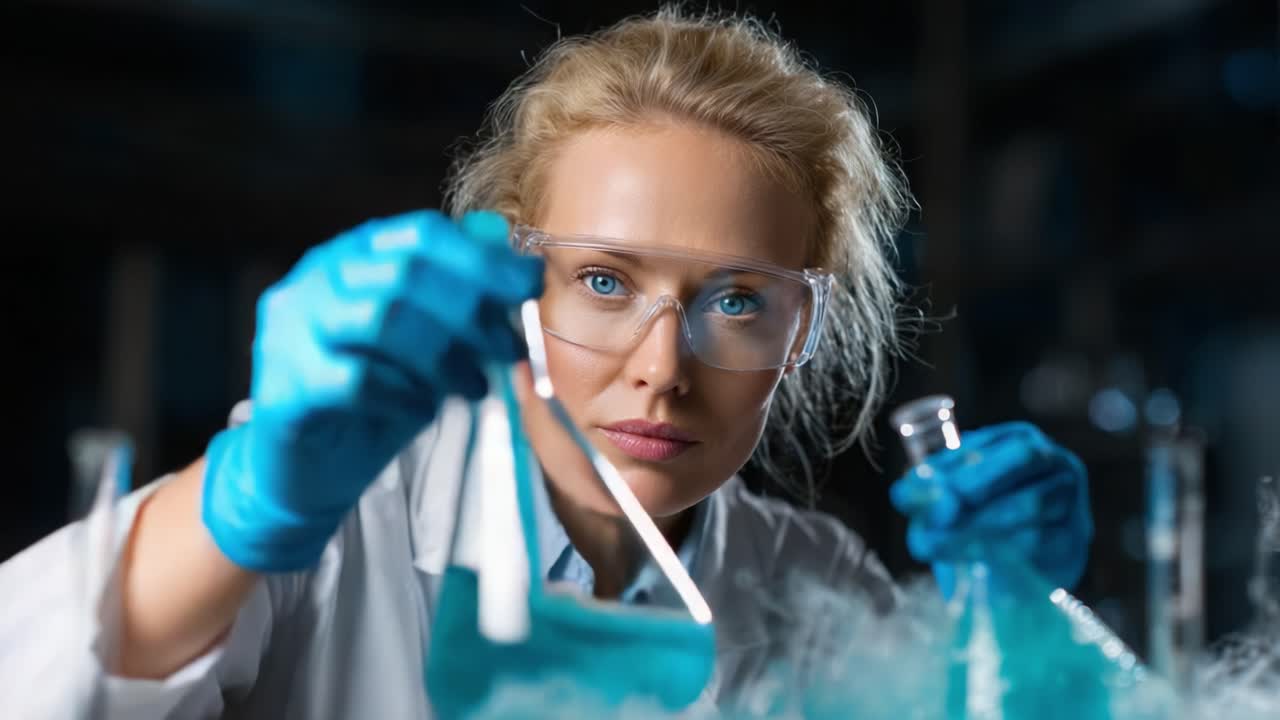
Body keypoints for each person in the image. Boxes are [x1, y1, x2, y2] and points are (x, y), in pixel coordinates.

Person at [0, 7, 1094, 718]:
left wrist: (1031, 626)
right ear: (516, 281)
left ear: (803, 329)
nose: (662, 368)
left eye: (739, 299)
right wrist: (243, 511)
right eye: (605, 282)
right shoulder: (343, 524)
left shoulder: (807, 584)